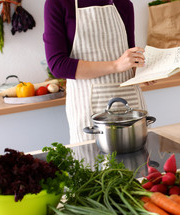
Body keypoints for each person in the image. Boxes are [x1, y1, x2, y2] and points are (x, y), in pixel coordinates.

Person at [43, 0, 146, 144]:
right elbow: (58, 65)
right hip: (88, 109)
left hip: (130, 106)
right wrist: (115, 66)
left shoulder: (124, 4)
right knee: (92, 163)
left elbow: (129, 58)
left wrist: (144, 73)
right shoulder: (58, 3)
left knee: (136, 163)